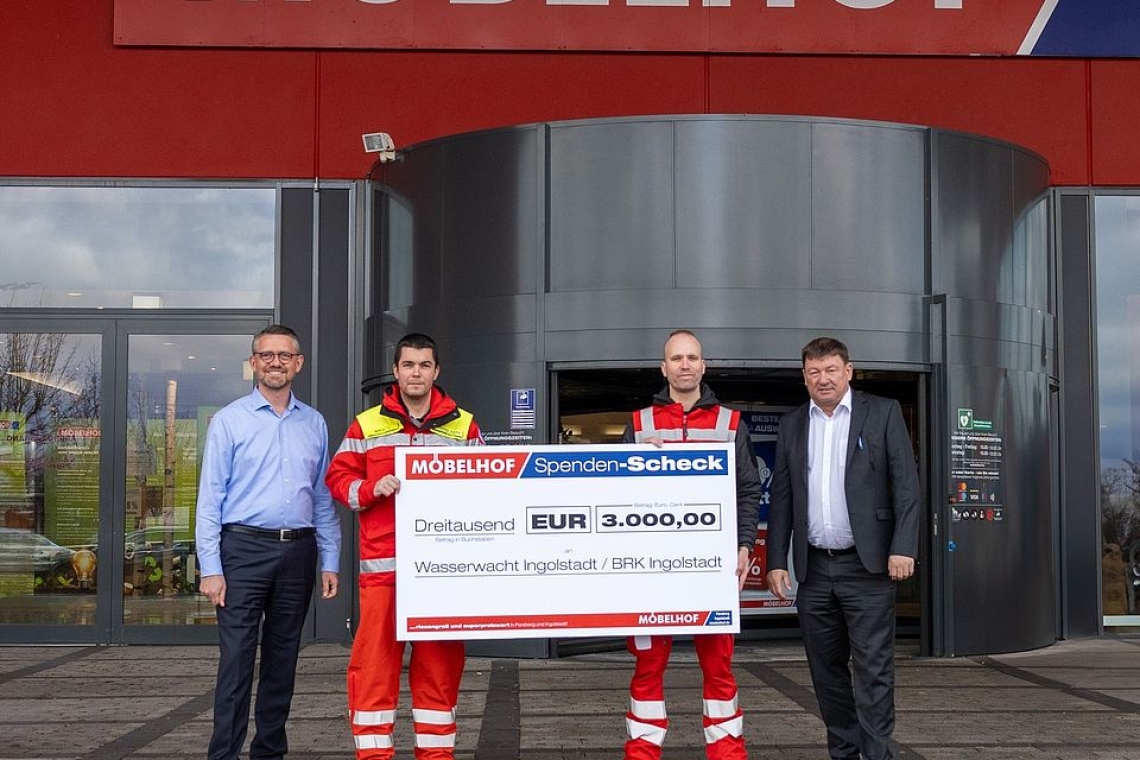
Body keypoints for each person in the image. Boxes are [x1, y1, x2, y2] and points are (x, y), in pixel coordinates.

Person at [325, 332, 484, 760]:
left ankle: (436, 755)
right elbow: (338, 482)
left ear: (437, 371)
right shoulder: (367, 424)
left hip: (442, 574)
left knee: (440, 668)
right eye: (408, 365)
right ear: (396, 372)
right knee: (373, 668)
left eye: (424, 365)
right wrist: (372, 487)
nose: (416, 373)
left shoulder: (464, 426)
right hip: (384, 572)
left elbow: (486, 490)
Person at [765, 336, 920, 760]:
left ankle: (877, 754)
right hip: (813, 570)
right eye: (814, 372)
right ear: (804, 377)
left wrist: (903, 547)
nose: (823, 379)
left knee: (873, 670)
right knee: (826, 672)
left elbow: (906, 487)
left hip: (868, 568)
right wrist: (776, 560)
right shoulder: (793, 423)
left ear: (848, 371)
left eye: (831, 370)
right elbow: (782, 496)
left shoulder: (883, 412)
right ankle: (845, 753)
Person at [196, 324, 342, 760]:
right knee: (237, 662)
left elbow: (320, 496)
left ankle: (269, 753)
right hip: (241, 552)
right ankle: (223, 754)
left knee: (283, 662)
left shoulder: (314, 422)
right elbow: (210, 499)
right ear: (253, 362)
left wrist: (329, 558)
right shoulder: (229, 421)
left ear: (298, 363)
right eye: (267, 355)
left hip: (298, 552)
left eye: (285, 355)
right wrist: (211, 568)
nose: (275, 362)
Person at [620, 329, 762, 760]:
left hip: (712, 568)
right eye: (676, 358)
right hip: (650, 570)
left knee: (719, 669)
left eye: (692, 357)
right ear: (663, 368)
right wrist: (634, 464)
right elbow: (613, 492)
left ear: (704, 365)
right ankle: (641, 754)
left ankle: (728, 754)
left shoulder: (731, 423)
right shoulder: (639, 424)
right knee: (647, 668)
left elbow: (749, 491)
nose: (684, 365)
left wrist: (743, 545)